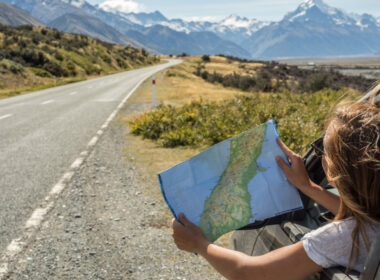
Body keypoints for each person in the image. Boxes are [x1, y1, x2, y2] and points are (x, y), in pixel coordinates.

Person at [171, 87, 380, 280]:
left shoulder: (343, 238)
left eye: (324, 152)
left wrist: (199, 243)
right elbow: (363, 215)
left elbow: (249, 272)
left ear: (334, 173)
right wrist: (307, 186)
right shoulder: (371, 222)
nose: (321, 157)